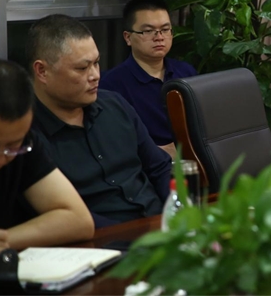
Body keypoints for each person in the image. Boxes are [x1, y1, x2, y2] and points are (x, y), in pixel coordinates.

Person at [27, 14, 172, 228]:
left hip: (160, 224)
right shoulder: (25, 135)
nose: (95, 75)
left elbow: (160, 168)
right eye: (82, 68)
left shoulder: (115, 104)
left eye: (96, 63)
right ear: (42, 71)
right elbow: (60, 214)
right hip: (97, 238)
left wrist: (179, 210)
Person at [0, 59, 94, 253]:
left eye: (12, 146)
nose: (1, 159)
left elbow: (79, 220)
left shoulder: (26, 144)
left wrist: (4, 241)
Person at [100, 0, 197, 159]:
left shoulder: (187, 73)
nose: (159, 37)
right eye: (148, 31)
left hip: (192, 162)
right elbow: (111, 143)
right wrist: (157, 153)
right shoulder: (111, 85)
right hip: (144, 167)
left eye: (165, 29)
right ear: (128, 37)